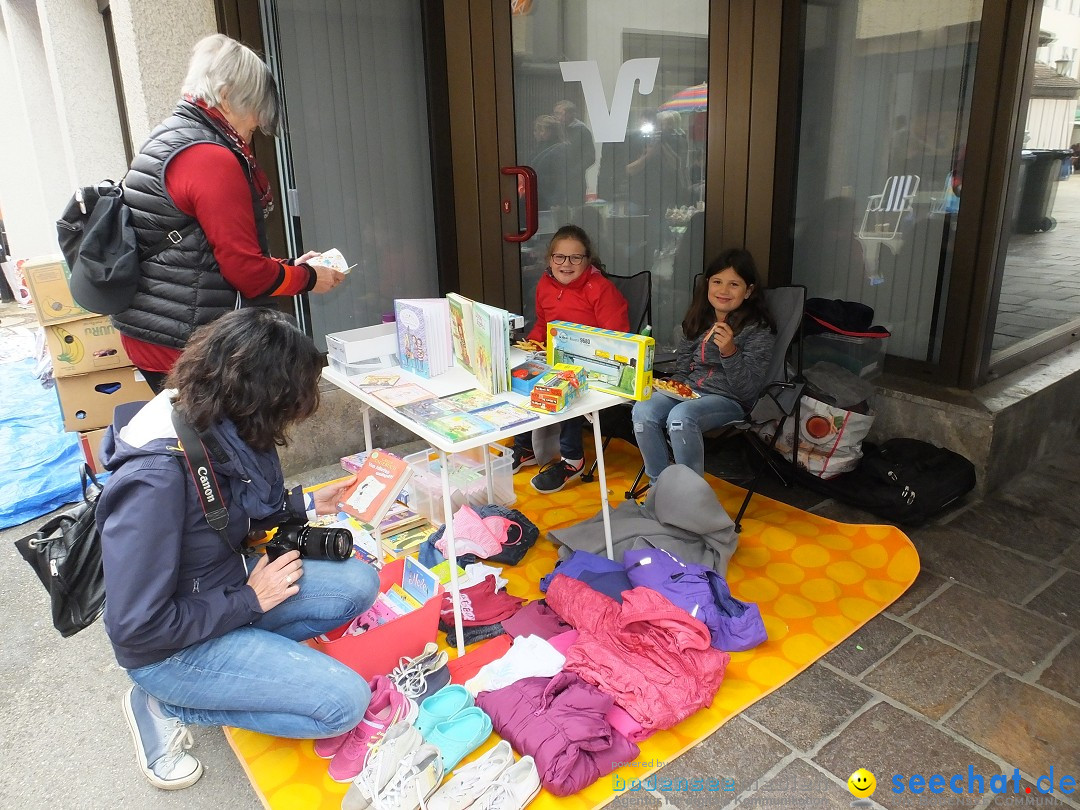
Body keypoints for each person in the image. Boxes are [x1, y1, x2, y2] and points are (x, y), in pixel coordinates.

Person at [96, 308, 380, 790]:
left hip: (223, 588)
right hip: (168, 649)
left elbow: (228, 515)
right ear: (262, 396)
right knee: (342, 706)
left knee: (358, 582)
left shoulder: (212, 421)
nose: (298, 414)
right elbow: (136, 627)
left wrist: (307, 501)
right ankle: (165, 703)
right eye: (293, 402)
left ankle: (251, 663)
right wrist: (251, 601)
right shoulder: (157, 478)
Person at [114, 34, 346, 394]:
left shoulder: (169, 137)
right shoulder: (210, 157)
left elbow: (202, 248)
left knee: (195, 441)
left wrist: (292, 266)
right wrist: (309, 279)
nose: (253, 130)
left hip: (155, 325)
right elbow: (247, 273)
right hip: (186, 340)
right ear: (225, 95)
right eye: (253, 114)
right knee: (225, 445)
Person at [632, 248, 775, 485]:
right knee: (643, 409)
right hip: (690, 391)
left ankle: (691, 495)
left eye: (734, 285)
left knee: (680, 417)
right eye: (717, 281)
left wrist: (730, 352)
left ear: (748, 291)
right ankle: (659, 486)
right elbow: (683, 366)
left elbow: (748, 391)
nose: (723, 290)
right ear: (707, 284)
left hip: (729, 399)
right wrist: (673, 384)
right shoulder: (700, 318)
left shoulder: (758, 329)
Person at [513, 224, 629, 493]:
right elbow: (543, 325)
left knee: (562, 383)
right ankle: (525, 448)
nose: (566, 264)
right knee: (519, 374)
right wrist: (531, 346)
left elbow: (617, 340)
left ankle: (573, 459)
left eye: (575, 257)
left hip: (593, 364)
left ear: (587, 260)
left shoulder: (601, 290)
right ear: (549, 260)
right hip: (554, 356)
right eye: (559, 257)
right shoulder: (545, 284)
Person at [554, 100, 596, 207]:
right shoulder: (556, 130)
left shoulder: (582, 131)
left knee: (575, 211)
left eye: (559, 113)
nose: (557, 117)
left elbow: (590, 157)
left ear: (570, 114)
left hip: (575, 182)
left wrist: (573, 172)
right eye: (555, 113)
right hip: (557, 181)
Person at [530, 114, 570, 212]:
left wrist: (557, 201)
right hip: (539, 193)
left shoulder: (558, 149)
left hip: (549, 198)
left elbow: (561, 177)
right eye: (536, 131)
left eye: (541, 130)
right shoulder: (539, 148)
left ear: (551, 131)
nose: (538, 134)